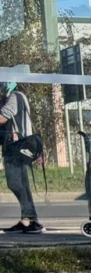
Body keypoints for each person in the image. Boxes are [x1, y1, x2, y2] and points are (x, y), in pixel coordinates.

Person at [0, 82, 41, 234]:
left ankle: (30, 218)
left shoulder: (15, 96)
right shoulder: (13, 97)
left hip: (17, 145)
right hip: (15, 146)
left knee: (15, 182)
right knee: (21, 183)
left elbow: (2, 118)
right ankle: (29, 220)